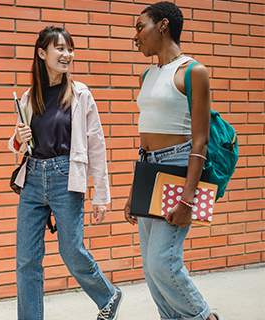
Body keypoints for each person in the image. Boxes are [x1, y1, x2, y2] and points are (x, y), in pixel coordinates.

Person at [9, 26, 122, 320]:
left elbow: (96, 145)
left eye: (69, 49)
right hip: (33, 178)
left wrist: (101, 195)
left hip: (65, 179)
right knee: (26, 260)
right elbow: (19, 143)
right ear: (42, 53)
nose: (66, 54)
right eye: (59, 48)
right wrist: (20, 136)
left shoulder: (80, 94)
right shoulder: (29, 96)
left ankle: (108, 295)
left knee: (72, 251)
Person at [125, 2, 223, 320]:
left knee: (162, 264)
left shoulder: (194, 72)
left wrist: (188, 198)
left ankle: (203, 316)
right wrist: (132, 193)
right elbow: (146, 139)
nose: (135, 37)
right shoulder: (148, 75)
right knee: (151, 273)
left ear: (163, 25)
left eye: (140, 27)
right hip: (149, 168)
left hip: (179, 168)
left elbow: (201, 140)